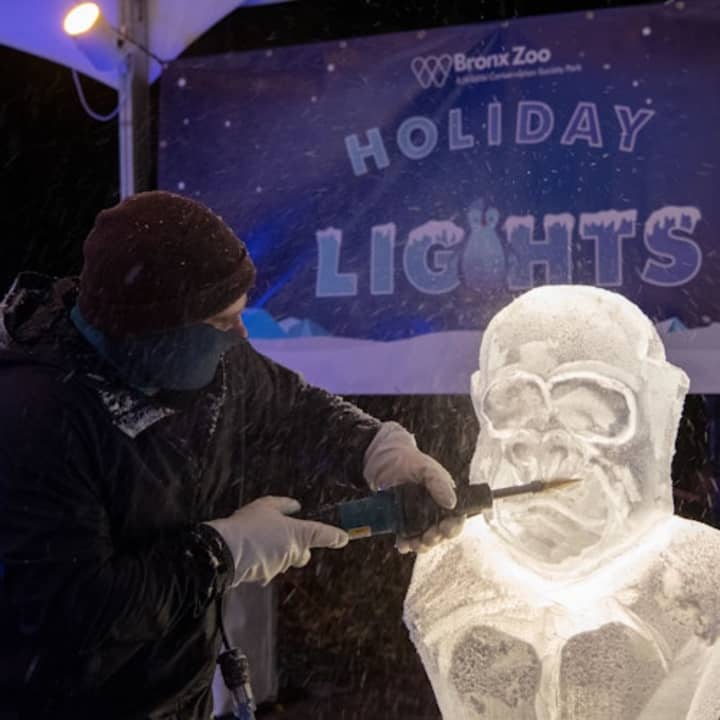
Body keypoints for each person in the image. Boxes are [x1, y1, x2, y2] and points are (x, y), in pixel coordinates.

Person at [0, 191, 462, 720]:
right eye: (223, 322)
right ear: (153, 330)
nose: (241, 335)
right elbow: (73, 608)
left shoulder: (205, 360)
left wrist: (379, 449)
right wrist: (220, 553)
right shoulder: (34, 419)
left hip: (180, 692)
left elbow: (297, 409)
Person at [404, 285, 720, 720]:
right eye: (514, 410)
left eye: (587, 416)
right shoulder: (449, 566)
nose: (542, 444)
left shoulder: (700, 572)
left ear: (659, 408)